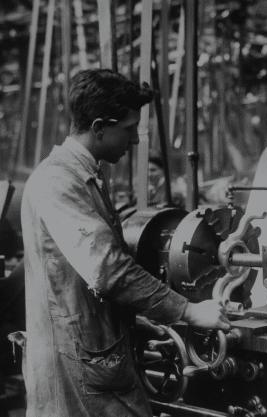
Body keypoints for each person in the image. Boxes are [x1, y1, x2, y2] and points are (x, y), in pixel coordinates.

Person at [20, 69, 230, 417]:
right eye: (129, 128)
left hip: (92, 352)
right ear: (99, 127)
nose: (134, 140)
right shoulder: (57, 182)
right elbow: (107, 270)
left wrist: (129, 318)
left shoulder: (82, 176)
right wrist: (190, 311)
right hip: (78, 367)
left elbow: (82, 281)